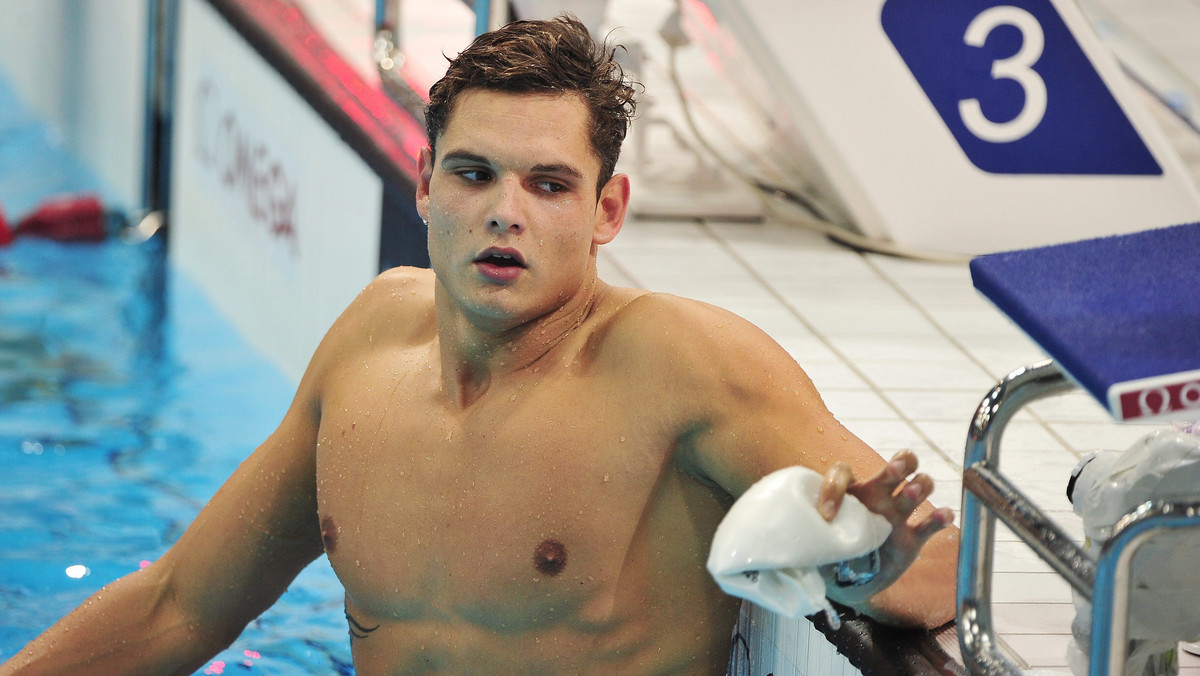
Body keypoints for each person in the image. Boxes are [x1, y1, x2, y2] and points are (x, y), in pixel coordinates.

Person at [0, 15, 957, 676]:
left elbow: (941, 570)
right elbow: (179, 606)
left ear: (606, 210)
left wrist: (860, 571)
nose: (504, 213)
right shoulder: (372, 341)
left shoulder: (682, 367)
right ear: (423, 185)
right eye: (474, 174)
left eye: (549, 185)